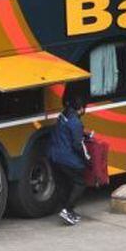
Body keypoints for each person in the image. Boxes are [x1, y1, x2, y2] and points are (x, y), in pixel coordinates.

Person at [49, 92, 91, 226]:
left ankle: (65, 210)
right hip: (67, 159)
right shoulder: (75, 122)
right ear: (81, 108)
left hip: (54, 157)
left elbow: (66, 133)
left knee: (64, 184)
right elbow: (77, 145)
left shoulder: (63, 116)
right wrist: (87, 159)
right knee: (80, 183)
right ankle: (67, 210)